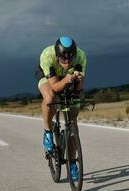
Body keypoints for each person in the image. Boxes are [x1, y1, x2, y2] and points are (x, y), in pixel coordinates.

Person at [35, 36, 86, 181]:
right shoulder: (47, 56)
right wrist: (65, 79)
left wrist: (79, 82)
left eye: (70, 59)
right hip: (49, 77)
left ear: (75, 55)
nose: (67, 62)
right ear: (57, 56)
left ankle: (72, 164)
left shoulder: (81, 57)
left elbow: (80, 89)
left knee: (73, 120)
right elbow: (55, 86)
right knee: (51, 98)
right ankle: (47, 132)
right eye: (63, 59)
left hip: (68, 77)